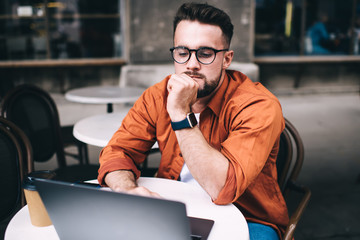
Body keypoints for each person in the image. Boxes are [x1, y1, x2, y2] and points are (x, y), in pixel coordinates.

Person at [98, 3, 289, 239]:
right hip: (176, 207)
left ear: (227, 59)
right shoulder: (157, 95)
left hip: (247, 217)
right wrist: (127, 189)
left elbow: (222, 189)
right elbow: (118, 152)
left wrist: (180, 114)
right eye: (182, 52)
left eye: (205, 54)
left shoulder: (257, 105)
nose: (191, 64)